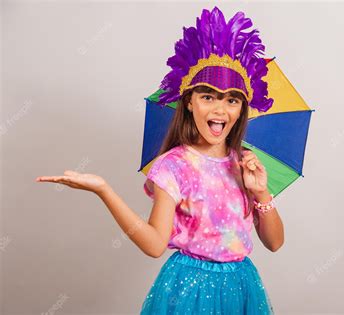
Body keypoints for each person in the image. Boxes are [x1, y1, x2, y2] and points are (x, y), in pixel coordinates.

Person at [36, 6, 283, 314]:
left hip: (242, 288)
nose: (220, 110)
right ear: (189, 102)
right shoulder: (173, 166)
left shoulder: (244, 163)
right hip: (190, 290)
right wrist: (103, 189)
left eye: (231, 99)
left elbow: (274, 243)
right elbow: (154, 245)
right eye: (208, 97)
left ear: (241, 108)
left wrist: (260, 192)